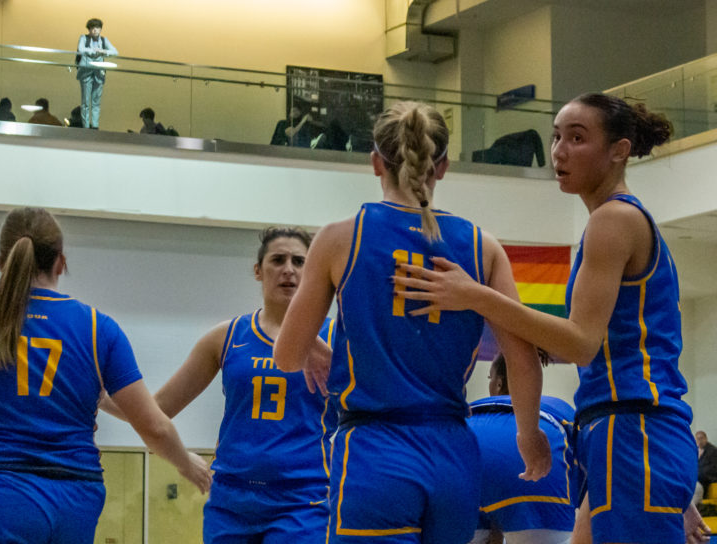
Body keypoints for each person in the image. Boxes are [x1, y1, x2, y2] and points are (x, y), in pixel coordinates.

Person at [393, 93, 704, 544]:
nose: (559, 150)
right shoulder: (613, 220)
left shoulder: (613, 220)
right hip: (626, 431)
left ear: (618, 150)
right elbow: (575, 345)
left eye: (577, 138)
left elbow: (578, 343)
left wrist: (476, 295)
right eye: (556, 136)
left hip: (633, 431)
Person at [274, 101, 551, 543]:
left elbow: (287, 356)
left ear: (374, 163)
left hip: (374, 450)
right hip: (453, 453)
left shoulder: (341, 237)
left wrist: (315, 348)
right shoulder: (483, 246)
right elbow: (522, 359)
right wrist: (529, 431)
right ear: (442, 167)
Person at [0, 207, 211, 544]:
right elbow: (154, 424)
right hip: (77, 496)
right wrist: (185, 462)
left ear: (1, 261)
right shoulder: (100, 329)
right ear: (61, 262)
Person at [145, 226, 336, 543]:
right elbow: (158, 407)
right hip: (232, 499)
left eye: (299, 261)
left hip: (303, 499)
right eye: (278, 260)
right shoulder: (227, 336)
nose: (288, 269)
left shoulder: (335, 339)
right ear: (259, 271)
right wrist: (98, 394)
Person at [468, 352, 576, 544]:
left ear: (499, 384)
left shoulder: (475, 408)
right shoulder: (559, 406)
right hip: (533, 460)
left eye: (490, 378)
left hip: (463, 456)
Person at [76, 18, 117, 129]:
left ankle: (95, 126)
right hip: (86, 72)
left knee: (96, 101)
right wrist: (94, 51)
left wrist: (104, 51)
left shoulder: (104, 40)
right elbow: (80, 49)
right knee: (85, 101)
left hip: (99, 73)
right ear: (89, 29)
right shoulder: (84, 38)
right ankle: (85, 126)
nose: (95, 30)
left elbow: (115, 51)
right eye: (93, 28)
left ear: (100, 29)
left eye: (97, 28)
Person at [694, 431, 717, 504]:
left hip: (710, 477)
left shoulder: (713, 450)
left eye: (701, 438)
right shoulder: (696, 451)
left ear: (706, 439)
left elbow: (714, 467)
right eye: (697, 439)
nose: (699, 441)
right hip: (700, 476)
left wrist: (697, 473)